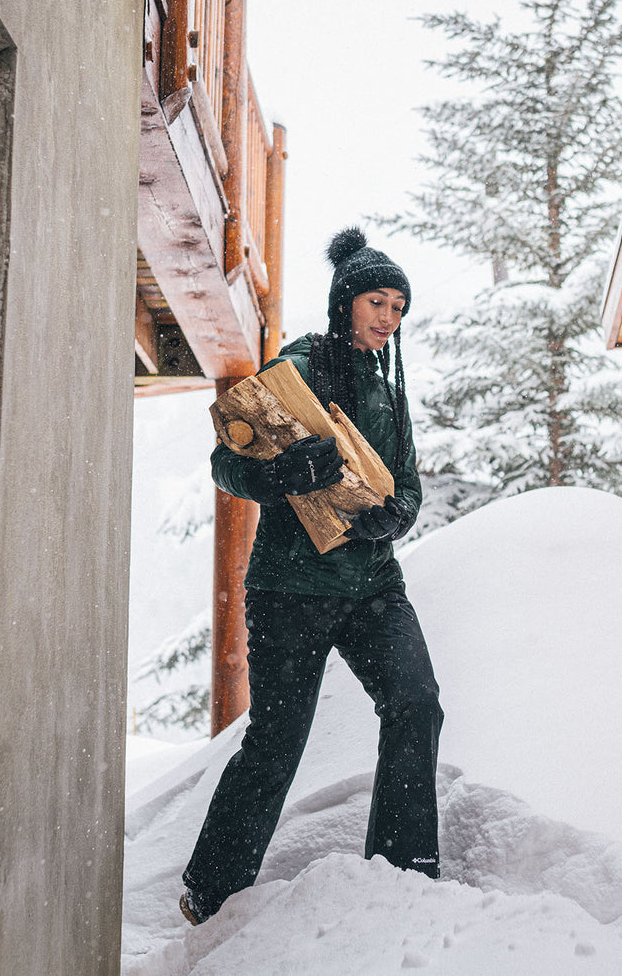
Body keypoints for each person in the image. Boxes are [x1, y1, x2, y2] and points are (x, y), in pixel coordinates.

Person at [179, 227, 443, 925]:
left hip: (374, 589)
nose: (388, 317)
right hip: (291, 589)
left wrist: (396, 518)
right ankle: (213, 888)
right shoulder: (301, 365)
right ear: (345, 302)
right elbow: (226, 463)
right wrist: (280, 474)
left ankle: (403, 867)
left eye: (398, 306)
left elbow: (410, 483)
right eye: (377, 302)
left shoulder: (390, 386)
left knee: (416, 702)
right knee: (277, 736)